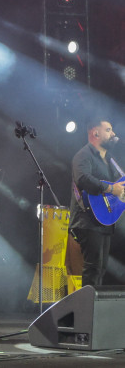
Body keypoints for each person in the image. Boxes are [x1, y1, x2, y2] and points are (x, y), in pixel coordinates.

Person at [69, 117, 125, 287]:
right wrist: (110, 189)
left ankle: (95, 310)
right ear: (95, 132)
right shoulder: (83, 155)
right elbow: (83, 179)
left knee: (100, 268)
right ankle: (86, 311)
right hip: (87, 220)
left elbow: (119, 187)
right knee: (92, 267)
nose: (113, 133)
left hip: (105, 219)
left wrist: (119, 193)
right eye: (108, 130)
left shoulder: (110, 160)